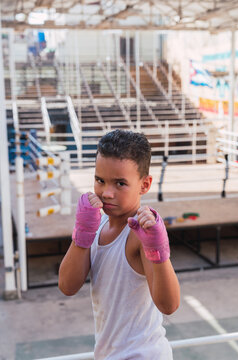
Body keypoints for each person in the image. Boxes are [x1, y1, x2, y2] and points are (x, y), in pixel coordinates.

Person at [59, 129, 180, 360]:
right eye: (100, 180)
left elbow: (169, 305)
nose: (107, 193)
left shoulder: (139, 234)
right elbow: (67, 285)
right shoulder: (97, 221)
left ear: (144, 185)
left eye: (120, 183)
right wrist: (82, 233)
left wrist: (159, 253)